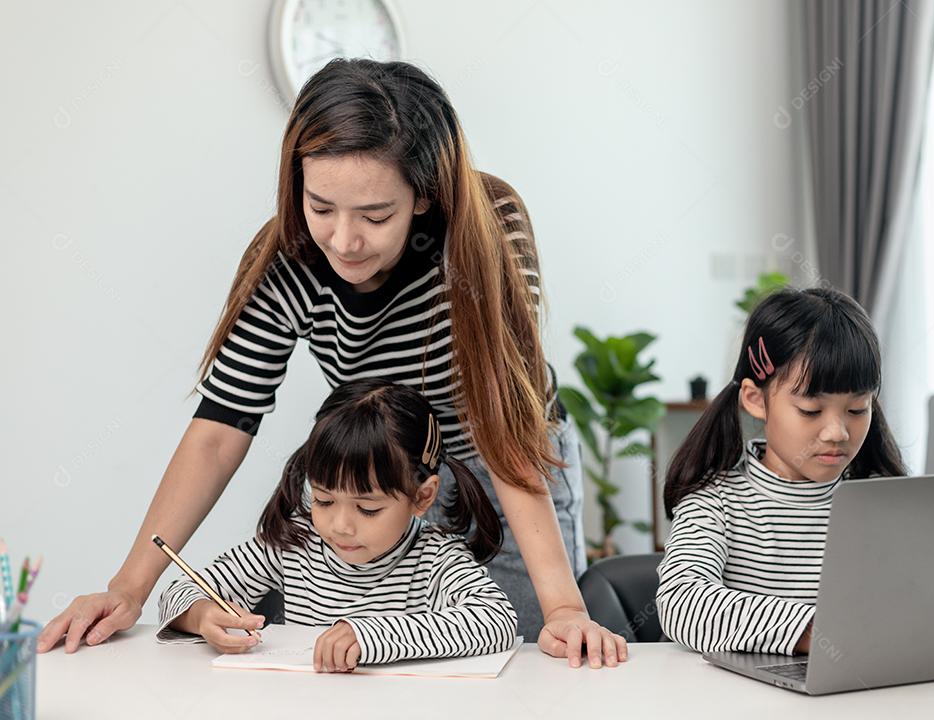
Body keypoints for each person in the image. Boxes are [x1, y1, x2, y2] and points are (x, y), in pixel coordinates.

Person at [39, 58, 627, 668]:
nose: (344, 240)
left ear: (425, 194)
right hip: (379, 468)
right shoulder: (288, 259)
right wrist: (129, 588)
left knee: (520, 659)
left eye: (375, 216)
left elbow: (505, 429)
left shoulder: (487, 234)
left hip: (503, 462)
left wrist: (561, 609)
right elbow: (220, 430)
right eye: (321, 207)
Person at [158, 379, 516, 670]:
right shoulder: (292, 542)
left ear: (422, 497)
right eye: (325, 500)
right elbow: (179, 591)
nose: (340, 526)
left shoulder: (435, 557)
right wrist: (202, 615)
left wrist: (368, 636)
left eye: (368, 508)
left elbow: (496, 620)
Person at [657, 287, 907, 654]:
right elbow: (681, 605)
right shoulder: (716, 502)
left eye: (857, 409)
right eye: (810, 410)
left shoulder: (880, 501)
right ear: (756, 399)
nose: (837, 432)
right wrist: (817, 633)